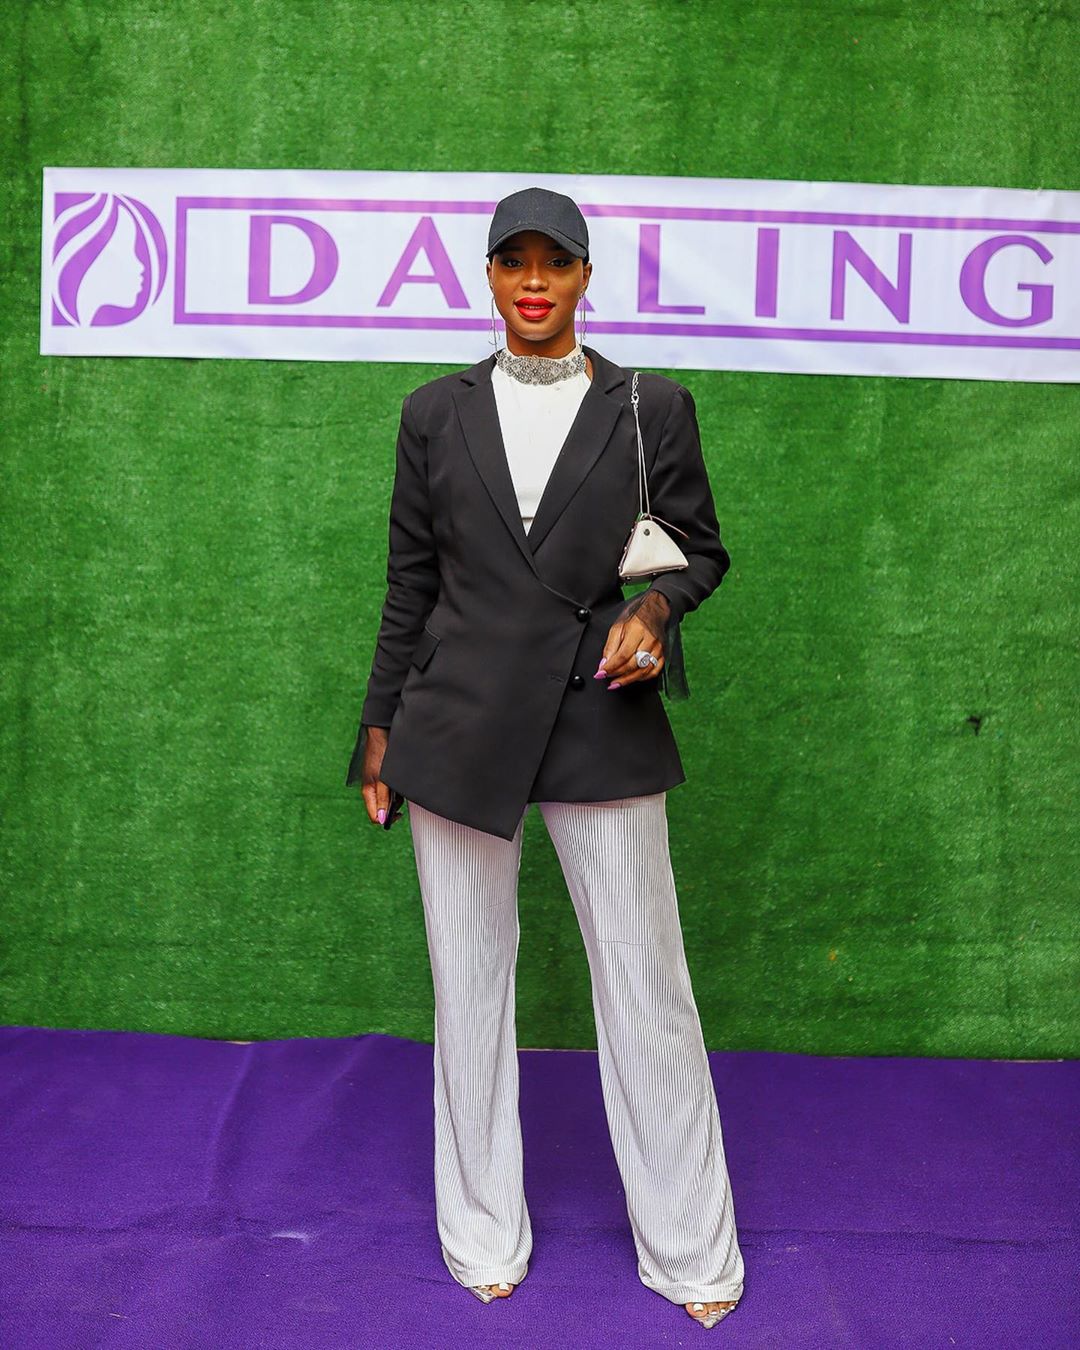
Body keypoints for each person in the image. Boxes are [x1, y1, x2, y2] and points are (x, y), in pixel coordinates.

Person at [346, 187, 745, 1330]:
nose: (534, 281)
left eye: (555, 263)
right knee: (468, 986)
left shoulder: (651, 407)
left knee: (648, 987)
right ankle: (481, 1231)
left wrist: (655, 612)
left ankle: (691, 1251)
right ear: (487, 276)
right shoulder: (434, 412)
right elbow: (410, 584)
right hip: (455, 721)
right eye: (513, 262)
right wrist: (378, 729)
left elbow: (699, 552)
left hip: (597, 713)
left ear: (583, 277)